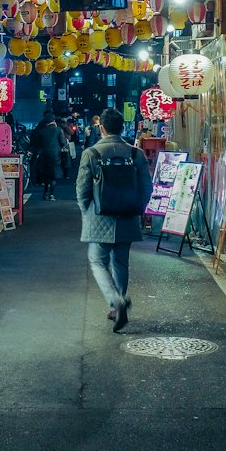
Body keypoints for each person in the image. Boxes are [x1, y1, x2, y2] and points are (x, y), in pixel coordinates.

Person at [76, 107, 153, 332]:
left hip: (99, 216)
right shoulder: (135, 154)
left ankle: (115, 301)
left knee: (97, 260)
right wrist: (138, 208)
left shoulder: (91, 153)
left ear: (102, 128)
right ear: (122, 128)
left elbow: (82, 190)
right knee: (121, 261)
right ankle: (118, 306)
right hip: (128, 215)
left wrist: (86, 212)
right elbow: (147, 188)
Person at [30, 112, 67, 200]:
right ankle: (51, 194)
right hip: (55, 155)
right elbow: (63, 143)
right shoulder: (58, 130)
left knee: (46, 175)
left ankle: (45, 192)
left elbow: (37, 144)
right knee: (53, 175)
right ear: (53, 121)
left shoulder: (41, 131)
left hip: (44, 155)